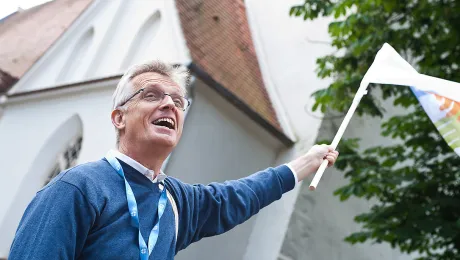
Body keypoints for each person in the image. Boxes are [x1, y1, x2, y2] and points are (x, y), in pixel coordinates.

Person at [8, 61, 339, 260]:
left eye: (178, 101)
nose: (169, 104)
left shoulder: (178, 203)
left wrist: (305, 163)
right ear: (118, 117)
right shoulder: (77, 188)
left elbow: (240, 196)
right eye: (152, 95)